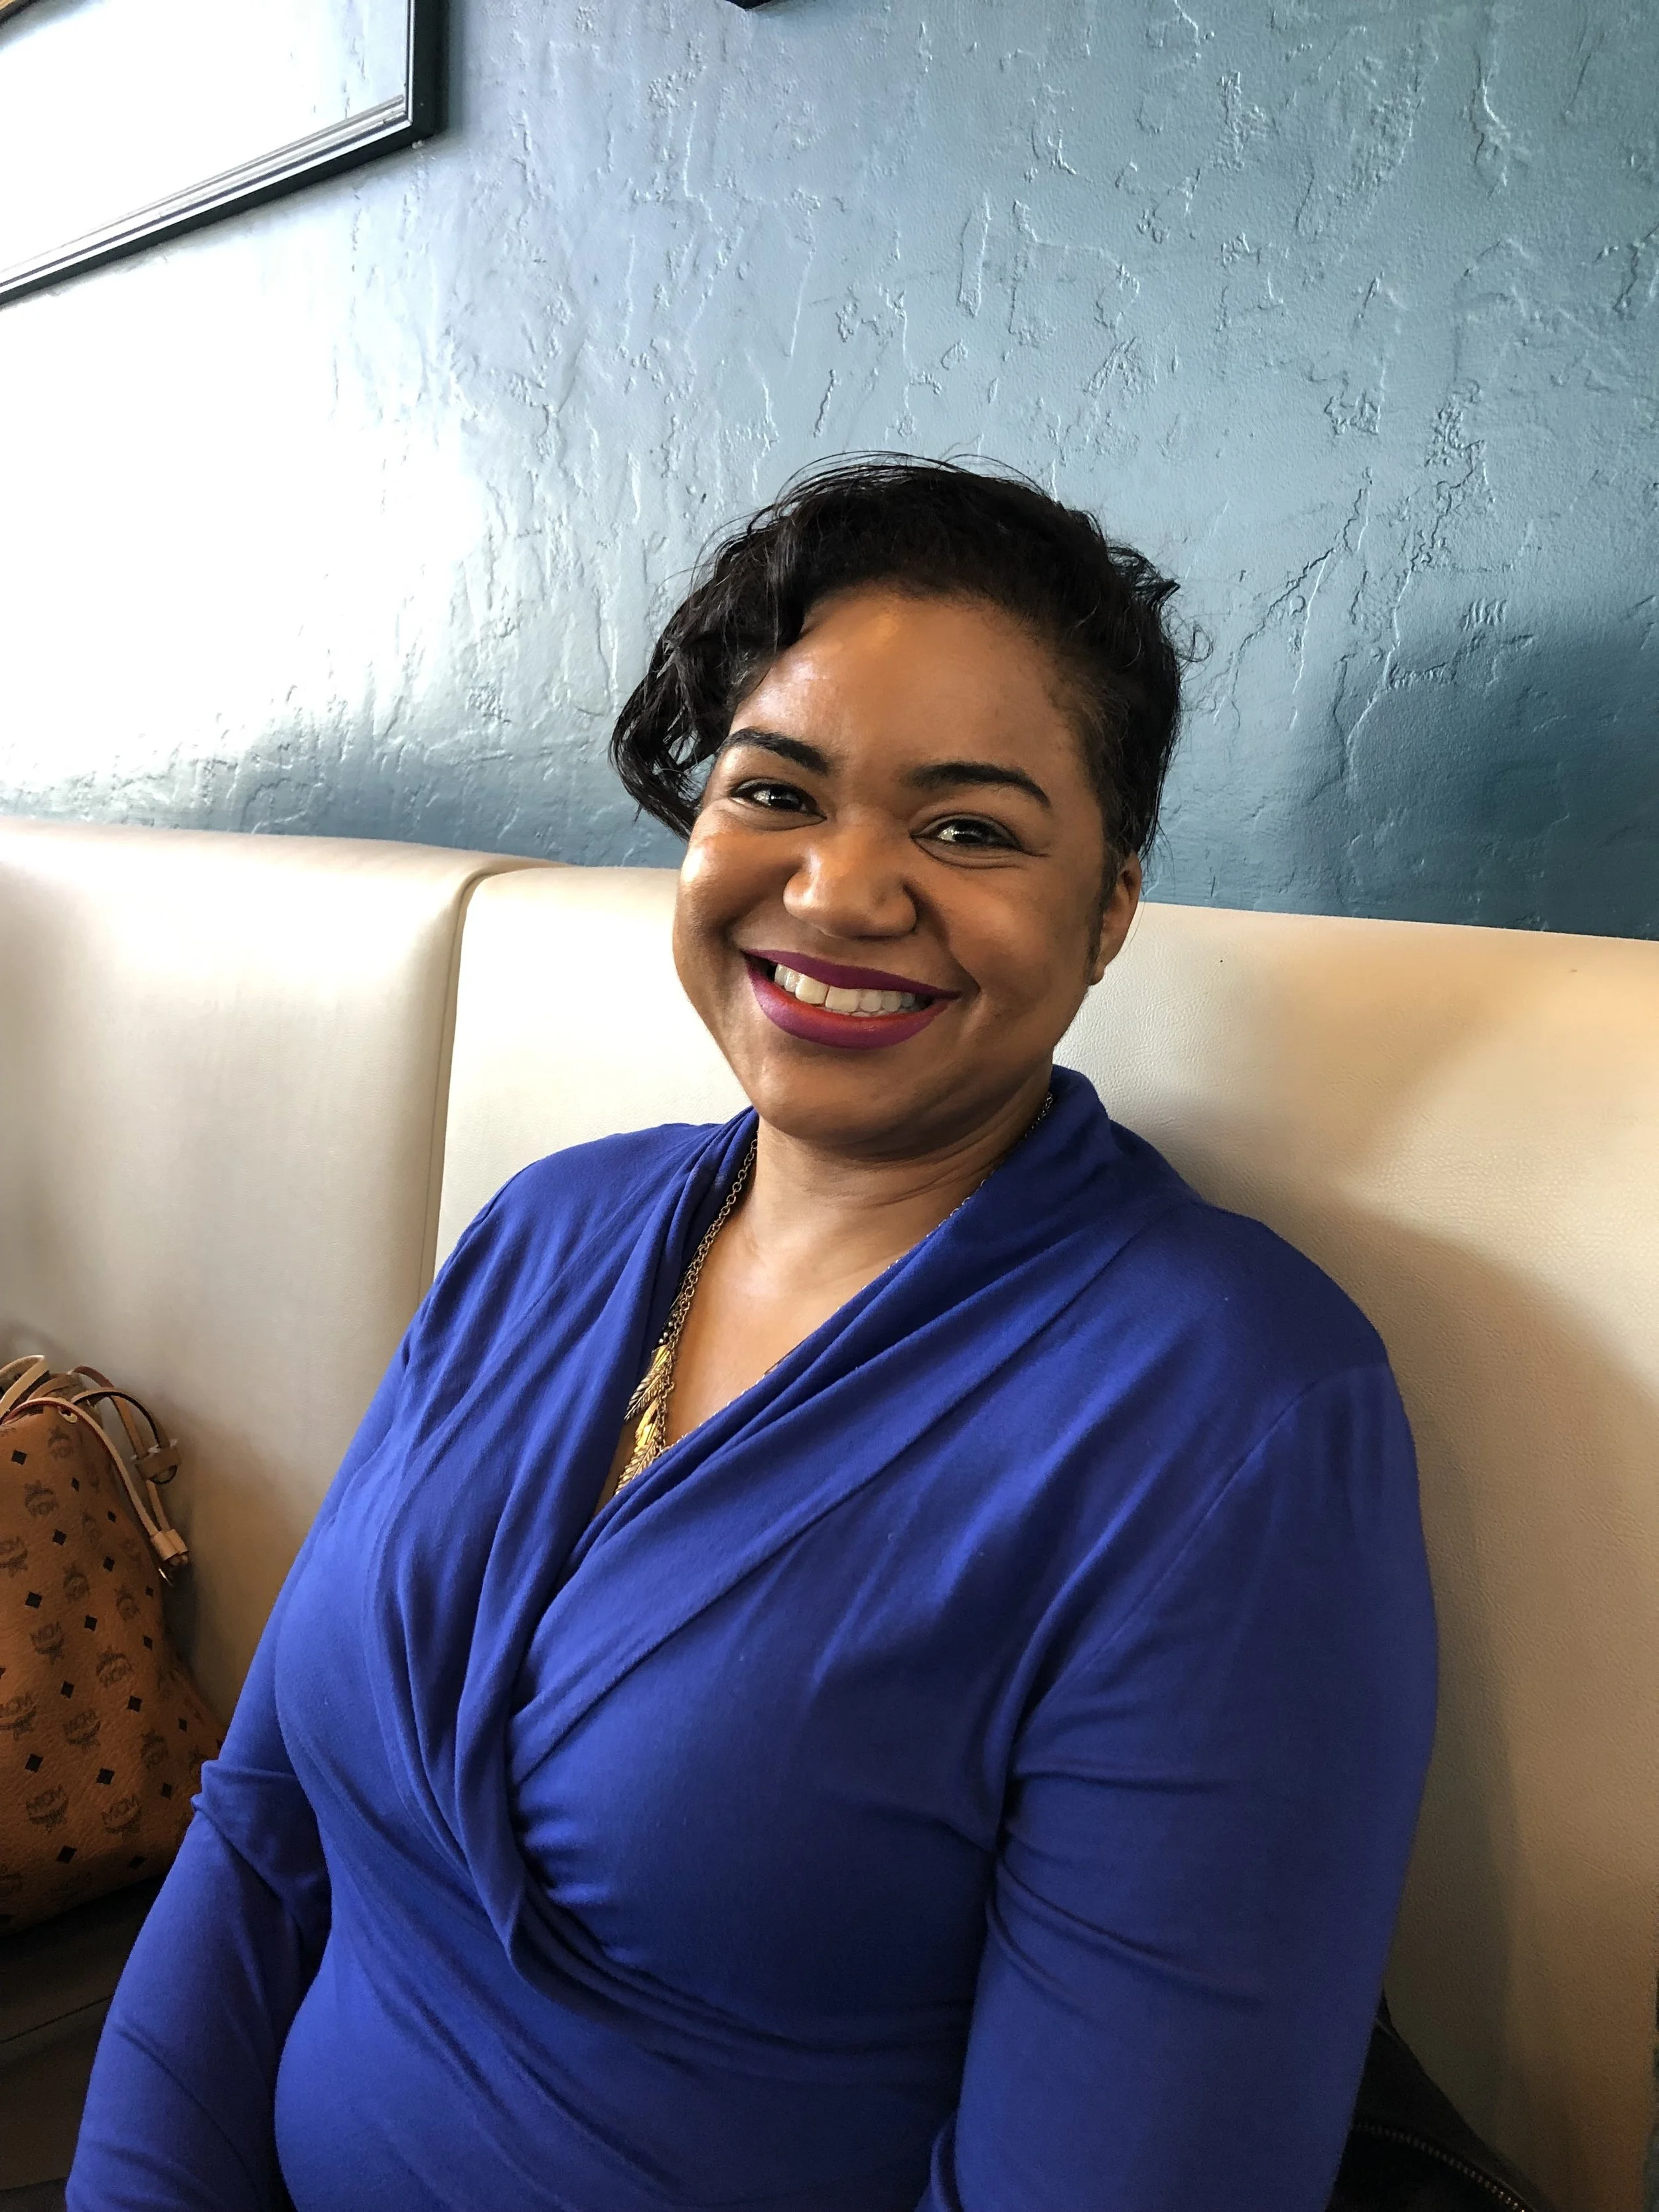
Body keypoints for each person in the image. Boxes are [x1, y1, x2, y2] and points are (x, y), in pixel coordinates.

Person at [70, 458, 1437, 2212]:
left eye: (968, 826)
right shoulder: (545, 1230)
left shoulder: (1232, 1416)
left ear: (1107, 906)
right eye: (774, 789)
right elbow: (264, 1834)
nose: (842, 888)